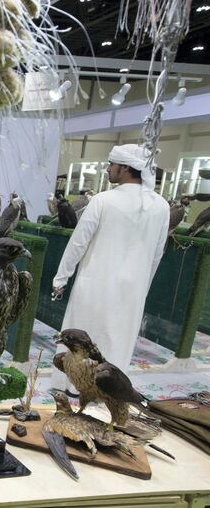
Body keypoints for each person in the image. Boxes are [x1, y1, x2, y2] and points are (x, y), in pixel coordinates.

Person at [51, 144, 169, 378]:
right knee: (118, 340)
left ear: (125, 168)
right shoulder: (162, 206)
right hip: (132, 290)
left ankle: (75, 386)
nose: (107, 169)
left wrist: (61, 277)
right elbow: (157, 255)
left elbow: (78, 243)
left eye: (111, 164)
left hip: (96, 285)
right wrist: (142, 288)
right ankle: (110, 390)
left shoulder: (103, 200)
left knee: (83, 337)